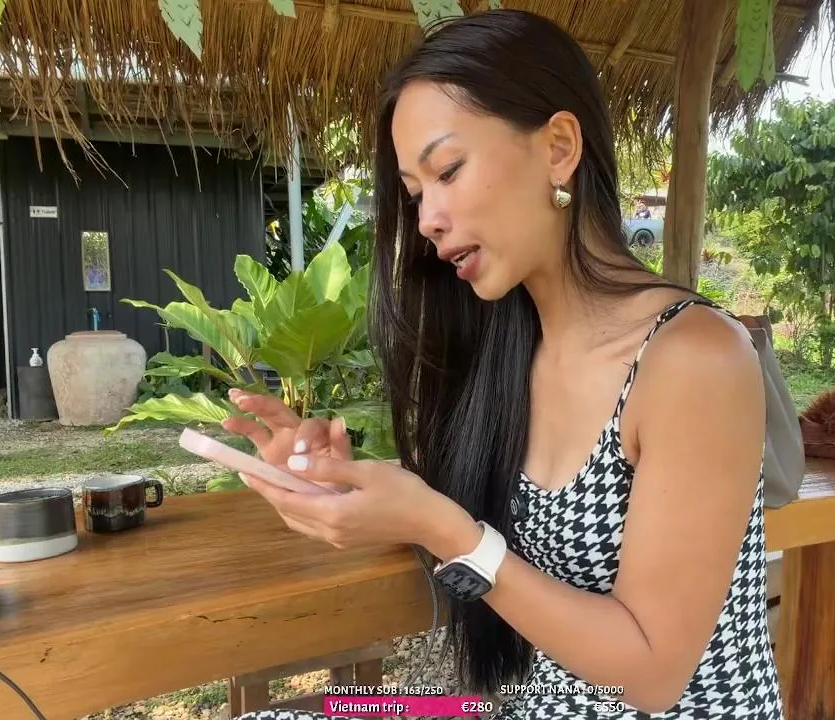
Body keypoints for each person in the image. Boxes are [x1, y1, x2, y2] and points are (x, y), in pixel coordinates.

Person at [224, 9, 783, 719]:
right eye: (415, 193)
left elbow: (650, 678)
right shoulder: (511, 350)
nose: (426, 219)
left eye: (447, 170)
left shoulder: (693, 358)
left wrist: (442, 528)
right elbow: (463, 529)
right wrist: (336, 484)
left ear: (558, 148)